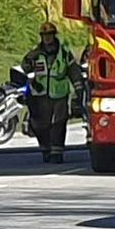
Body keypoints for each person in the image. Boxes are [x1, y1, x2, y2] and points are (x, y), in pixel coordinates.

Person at [23, 22, 85, 163]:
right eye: (44, 35)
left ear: (54, 35)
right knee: (41, 124)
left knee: (59, 123)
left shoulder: (64, 54)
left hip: (60, 94)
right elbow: (25, 68)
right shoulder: (35, 54)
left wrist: (79, 89)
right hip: (41, 94)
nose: (47, 38)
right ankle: (45, 148)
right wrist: (32, 80)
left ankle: (57, 152)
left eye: (49, 35)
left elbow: (73, 71)